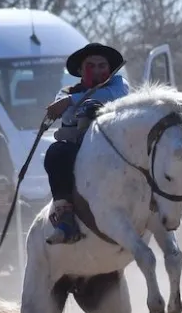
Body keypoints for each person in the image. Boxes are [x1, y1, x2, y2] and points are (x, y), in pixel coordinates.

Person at [42, 43, 129, 244]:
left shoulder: (118, 85)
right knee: (56, 153)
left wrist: (74, 100)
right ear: (81, 70)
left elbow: (114, 96)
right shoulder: (65, 92)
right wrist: (75, 101)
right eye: (91, 66)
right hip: (79, 150)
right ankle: (65, 216)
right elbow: (65, 112)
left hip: (118, 150)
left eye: (102, 65)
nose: (97, 70)